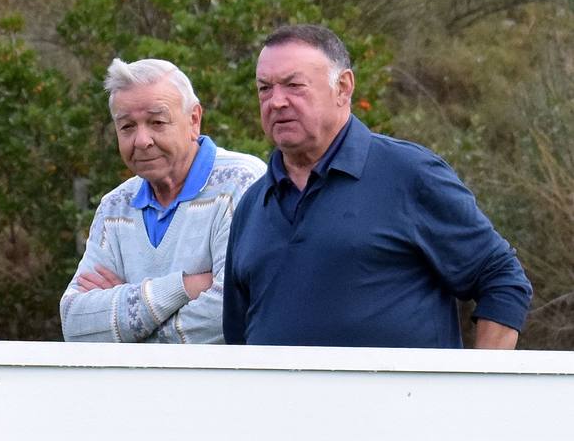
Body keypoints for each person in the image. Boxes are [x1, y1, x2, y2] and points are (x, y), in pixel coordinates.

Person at [223, 24, 531, 347]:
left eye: (293, 85)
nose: (276, 102)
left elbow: (502, 279)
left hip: (406, 398)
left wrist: (477, 390)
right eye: (264, 89)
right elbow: (238, 338)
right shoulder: (251, 205)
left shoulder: (410, 176)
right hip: (276, 399)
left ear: (343, 87)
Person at [61, 58, 265, 343]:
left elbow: (230, 311)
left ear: (194, 120)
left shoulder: (242, 183)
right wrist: (183, 287)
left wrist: (129, 325)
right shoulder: (114, 206)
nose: (142, 140)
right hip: (136, 388)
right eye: (127, 127)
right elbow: (75, 322)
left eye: (157, 122)